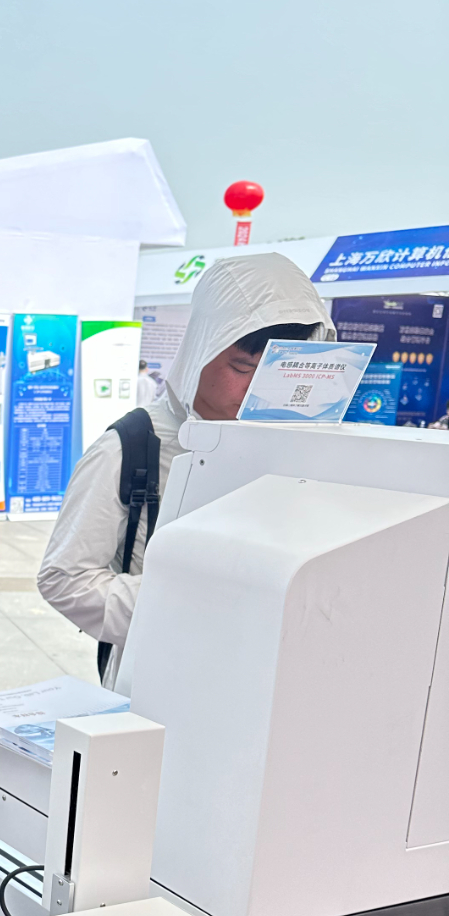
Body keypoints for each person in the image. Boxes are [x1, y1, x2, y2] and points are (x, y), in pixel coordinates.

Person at [38, 253, 334, 686]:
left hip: (269, 678)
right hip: (159, 682)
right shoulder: (129, 446)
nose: (257, 389)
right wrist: (191, 600)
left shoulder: (293, 445)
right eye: (242, 367)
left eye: (279, 371)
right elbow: (64, 579)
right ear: (201, 347)